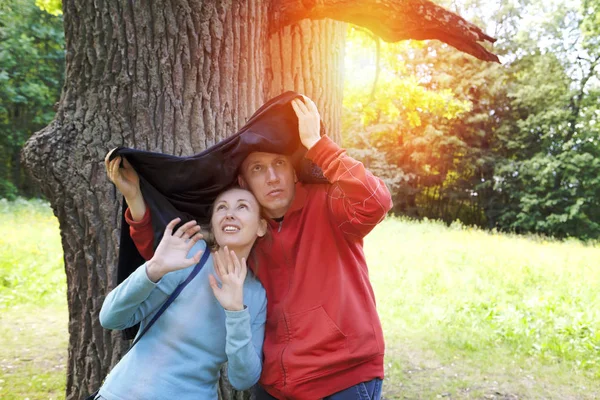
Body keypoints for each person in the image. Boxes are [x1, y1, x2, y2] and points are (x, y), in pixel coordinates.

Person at [121, 95, 392, 399]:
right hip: (274, 386)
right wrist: (136, 202)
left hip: (342, 379)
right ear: (244, 181)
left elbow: (375, 202)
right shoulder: (247, 230)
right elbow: (172, 248)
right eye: (258, 169)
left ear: (293, 170)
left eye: (279, 164)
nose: (273, 177)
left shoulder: (328, 203)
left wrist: (317, 144)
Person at [96, 153, 268, 399]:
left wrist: (236, 312)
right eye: (222, 208)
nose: (230, 214)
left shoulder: (256, 294)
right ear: (213, 223)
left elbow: (242, 379)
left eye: (242, 206)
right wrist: (153, 268)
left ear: (261, 226)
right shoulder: (189, 256)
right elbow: (111, 318)